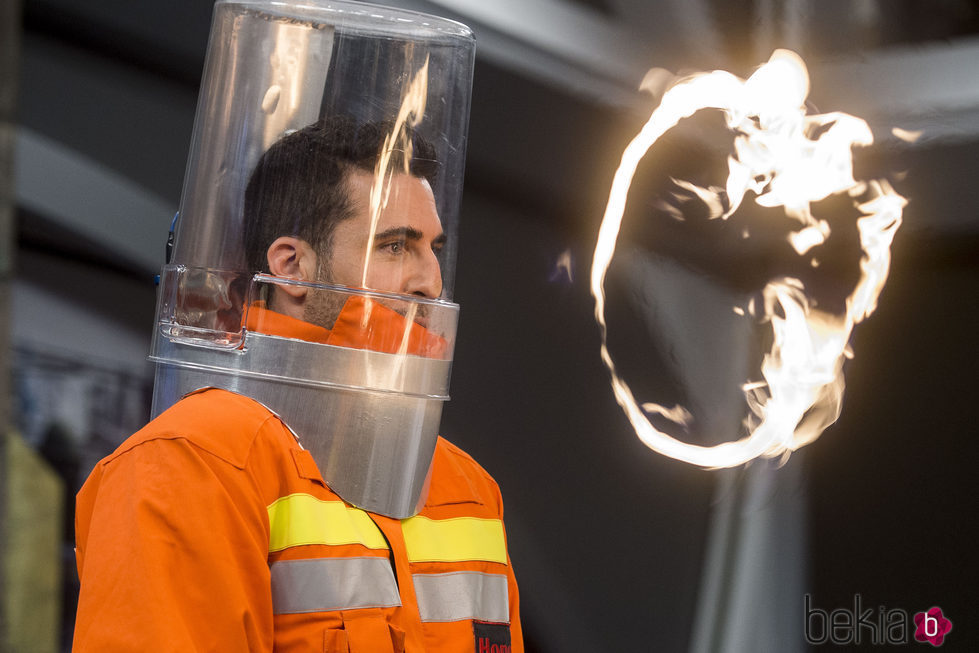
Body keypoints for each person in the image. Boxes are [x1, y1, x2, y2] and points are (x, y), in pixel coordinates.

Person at [72, 114, 523, 652]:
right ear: (290, 266)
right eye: (396, 246)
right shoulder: (192, 460)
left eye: (433, 249)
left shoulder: (467, 489)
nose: (431, 281)